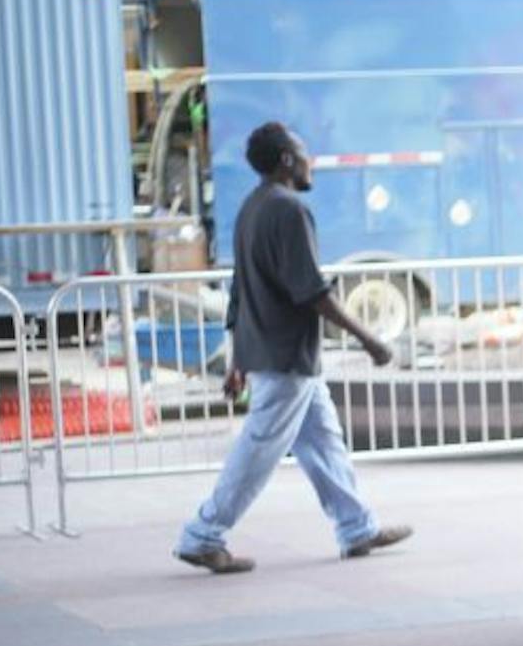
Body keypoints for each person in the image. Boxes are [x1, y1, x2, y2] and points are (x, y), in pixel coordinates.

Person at [175, 122, 411, 574]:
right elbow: (313, 292)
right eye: (304, 152)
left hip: (275, 354)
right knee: (258, 449)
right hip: (285, 357)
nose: (311, 161)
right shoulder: (289, 211)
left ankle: (356, 528)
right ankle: (202, 535)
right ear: (287, 159)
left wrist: (237, 358)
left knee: (324, 442)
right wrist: (371, 339)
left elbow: (240, 291)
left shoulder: (251, 209)